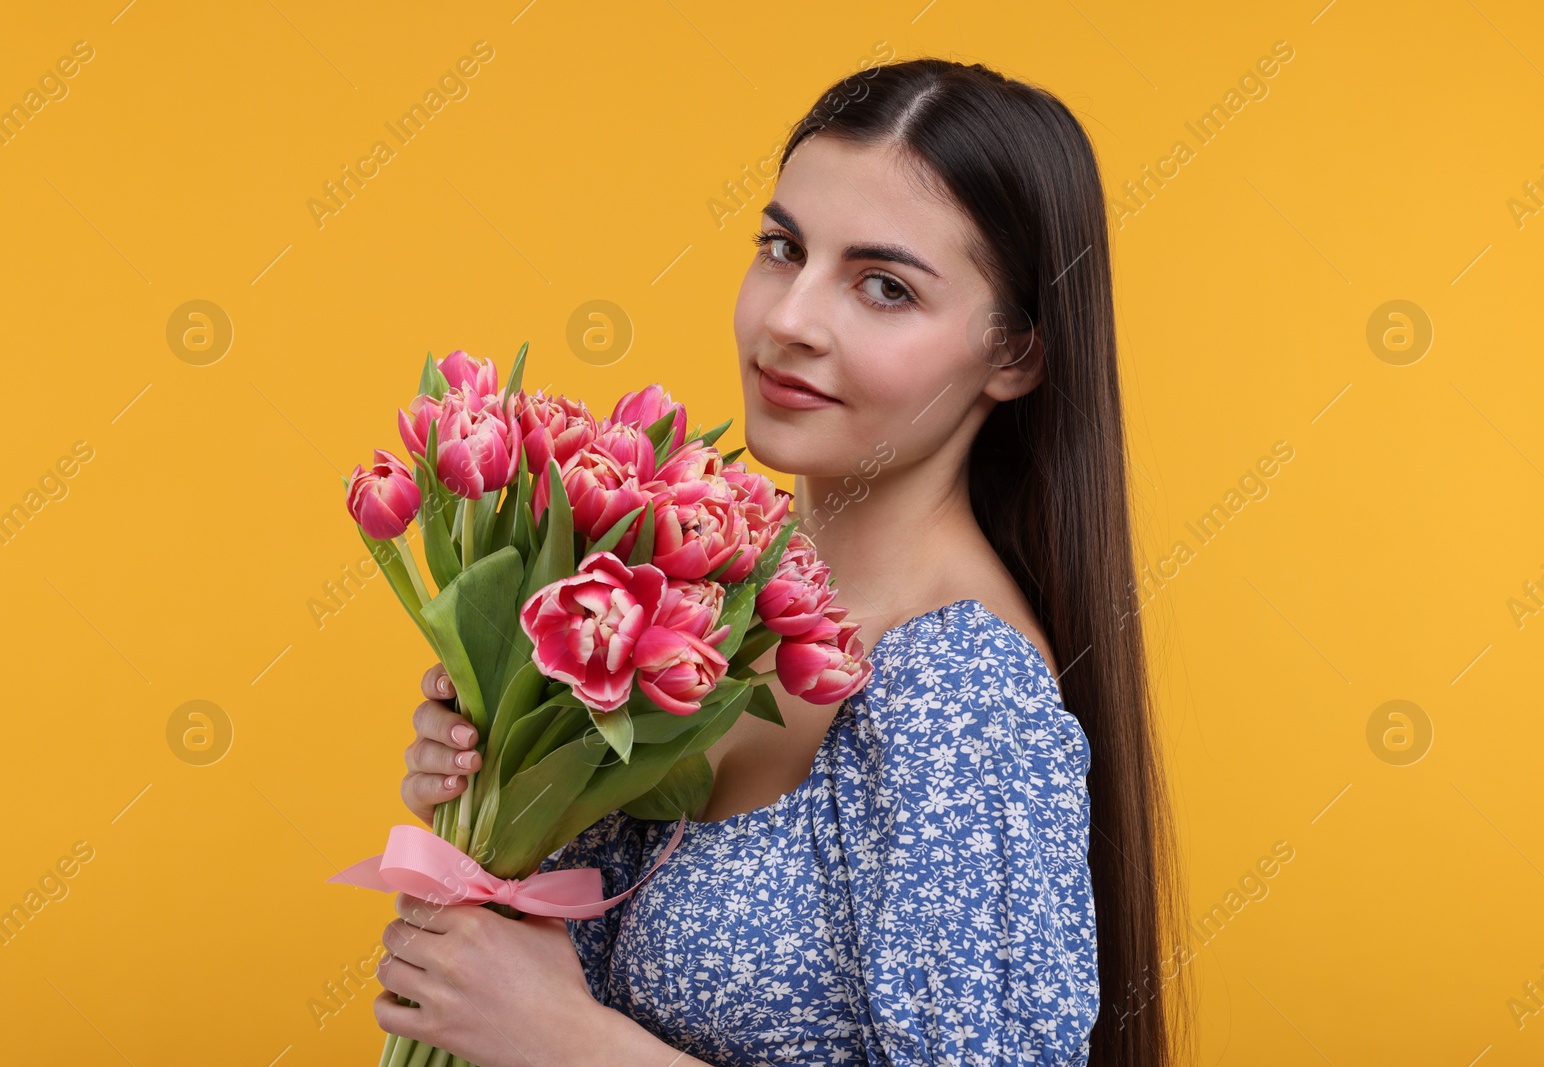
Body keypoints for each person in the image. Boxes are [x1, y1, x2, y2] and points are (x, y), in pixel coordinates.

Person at [377, 57, 1185, 1067]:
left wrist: (566, 1041)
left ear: (1014, 353)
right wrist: (492, 803)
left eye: (883, 286)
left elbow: (557, 1026)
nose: (790, 320)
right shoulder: (696, 613)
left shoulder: (958, 694)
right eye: (782, 247)